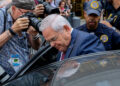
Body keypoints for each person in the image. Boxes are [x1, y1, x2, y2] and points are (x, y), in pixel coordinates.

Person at [0, 0, 44, 76]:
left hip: (25, 71)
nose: (27, 17)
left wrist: (34, 35)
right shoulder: (1, 16)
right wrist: (12, 30)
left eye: (30, 13)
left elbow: (36, 47)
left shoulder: (27, 18)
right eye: (25, 13)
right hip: (8, 77)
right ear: (13, 8)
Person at [39, 14, 105, 61]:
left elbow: (94, 73)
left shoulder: (88, 41)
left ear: (66, 29)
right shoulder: (63, 44)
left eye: (53, 39)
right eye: (49, 41)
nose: (52, 44)